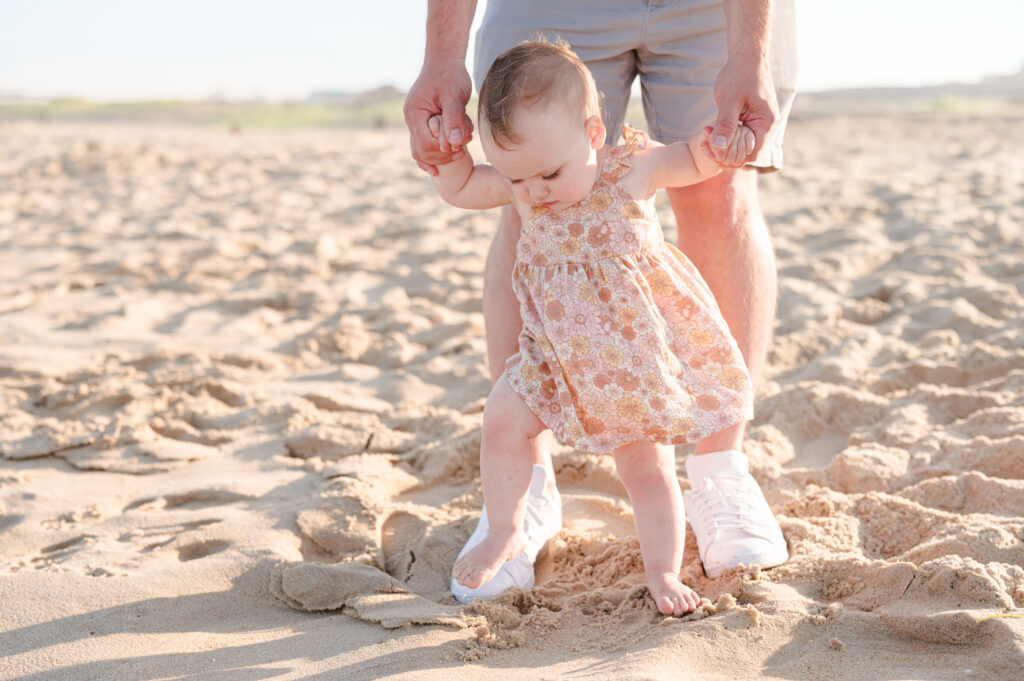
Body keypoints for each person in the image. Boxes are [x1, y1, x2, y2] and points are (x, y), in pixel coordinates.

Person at [404, 0, 793, 606]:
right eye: (520, 178)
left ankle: (669, 560)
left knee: (646, 469)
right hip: (549, 357)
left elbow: (694, 160)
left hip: (629, 360)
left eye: (550, 176)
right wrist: (445, 158)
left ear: (593, 135)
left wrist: (722, 143)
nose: (533, 192)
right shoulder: (525, 184)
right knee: (503, 419)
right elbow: (461, 187)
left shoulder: (630, 168)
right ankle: (510, 521)